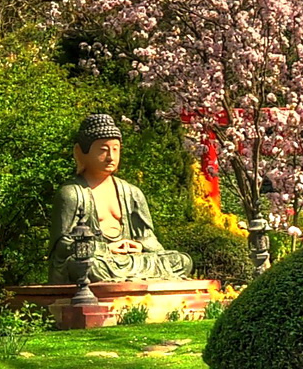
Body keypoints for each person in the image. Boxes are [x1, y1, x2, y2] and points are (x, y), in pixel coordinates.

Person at [51, 115, 196, 284]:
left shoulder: (132, 193)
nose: (110, 157)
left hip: (130, 259)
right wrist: (107, 248)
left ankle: (132, 277)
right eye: (103, 150)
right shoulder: (72, 194)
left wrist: (140, 246)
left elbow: (148, 237)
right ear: (80, 152)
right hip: (99, 261)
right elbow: (62, 246)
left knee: (181, 260)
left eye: (115, 149)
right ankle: (130, 277)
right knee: (87, 267)